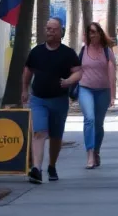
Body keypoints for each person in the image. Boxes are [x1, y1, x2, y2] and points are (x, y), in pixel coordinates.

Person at [21, 17, 82, 184]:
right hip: (38, 99)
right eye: (48, 28)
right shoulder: (37, 52)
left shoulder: (68, 53)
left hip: (59, 100)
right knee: (39, 132)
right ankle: (36, 169)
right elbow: (28, 71)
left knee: (55, 136)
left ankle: (52, 165)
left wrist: (68, 81)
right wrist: (24, 89)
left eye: (53, 29)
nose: (49, 32)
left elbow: (78, 72)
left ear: (61, 32)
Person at [77, 23, 117, 169]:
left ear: (100, 33)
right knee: (89, 119)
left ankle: (96, 151)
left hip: (103, 91)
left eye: (94, 32)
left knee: (98, 124)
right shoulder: (84, 50)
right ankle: (90, 154)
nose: (92, 35)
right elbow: (77, 70)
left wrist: (112, 95)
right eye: (90, 32)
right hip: (85, 89)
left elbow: (112, 76)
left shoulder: (107, 51)